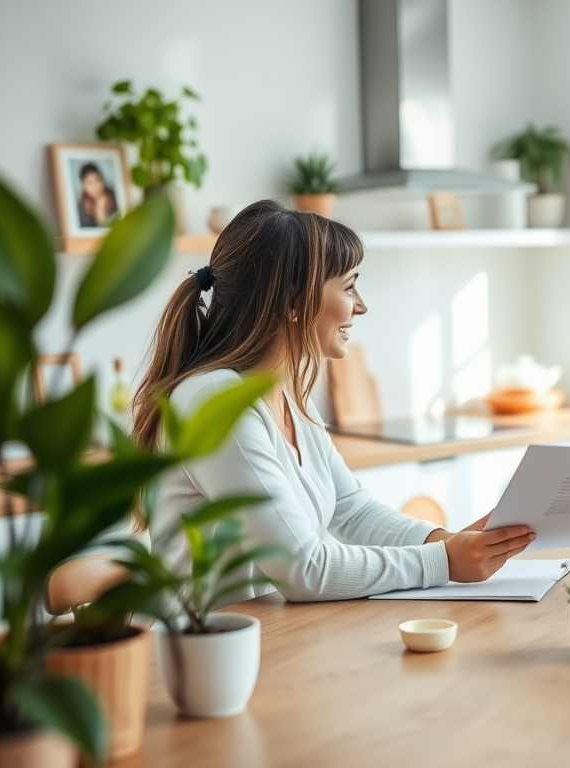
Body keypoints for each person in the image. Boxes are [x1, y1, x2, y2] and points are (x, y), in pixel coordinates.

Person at [132, 199, 535, 602]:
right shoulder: (216, 402)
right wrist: (442, 561)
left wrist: (448, 541)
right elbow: (303, 569)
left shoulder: (289, 398)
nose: (360, 305)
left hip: (265, 638)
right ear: (292, 302)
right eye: (348, 286)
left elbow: (352, 510)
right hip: (192, 654)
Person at [76, 162, 119, 227]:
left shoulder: (115, 197)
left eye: (98, 180)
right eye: (90, 183)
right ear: (83, 186)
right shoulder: (82, 206)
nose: (96, 186)